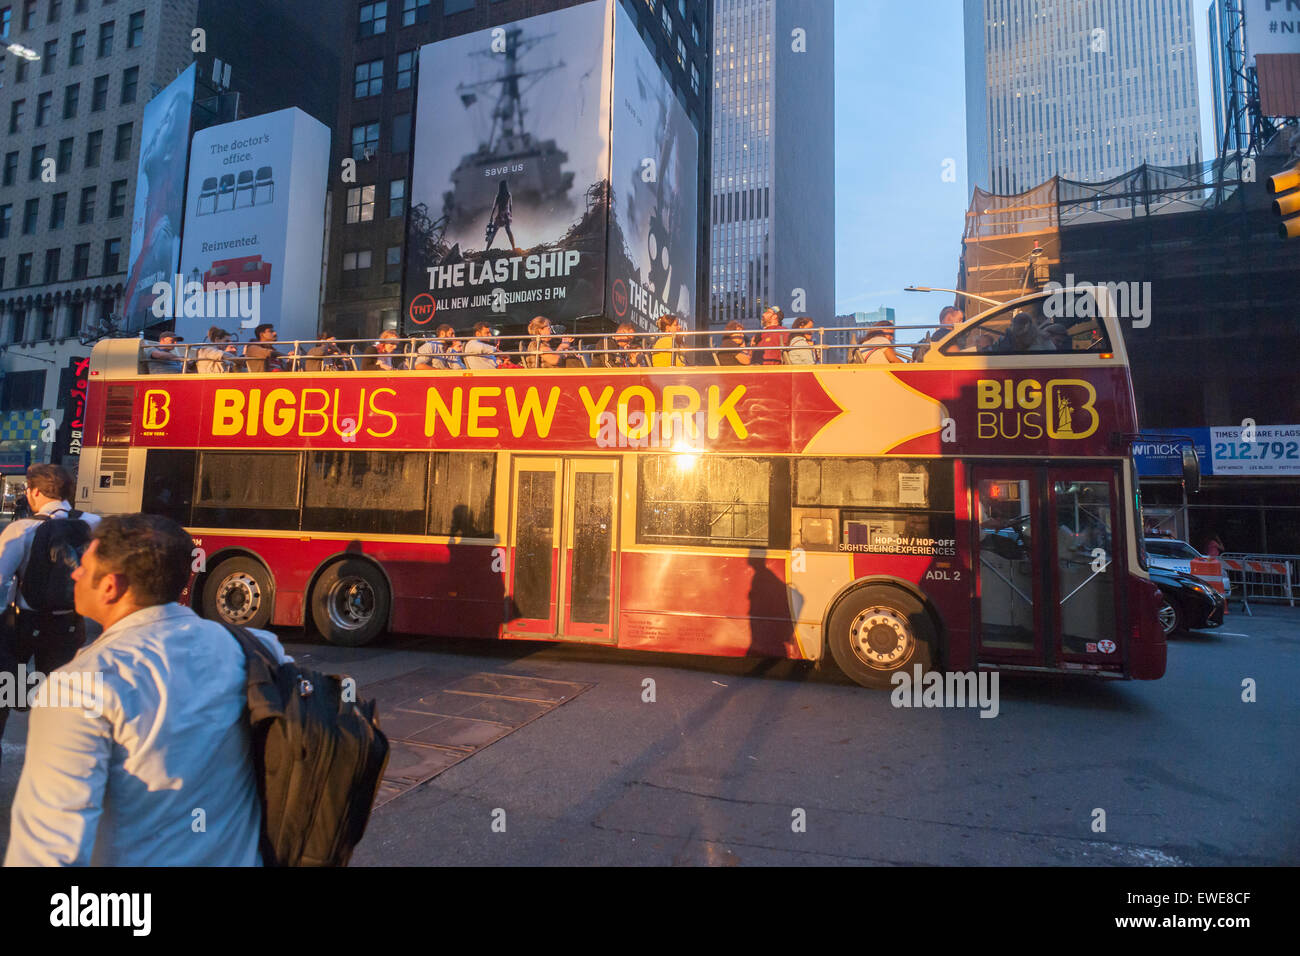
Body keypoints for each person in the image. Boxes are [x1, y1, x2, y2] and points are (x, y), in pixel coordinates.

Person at [4, 513, 290, 866]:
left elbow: (47, 850)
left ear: (111, 586)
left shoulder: (79, 687)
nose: (74, 571)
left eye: (84, 563)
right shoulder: (257, 650)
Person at [0, 464, 101, 767]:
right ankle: (57, 761)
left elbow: (2, 578)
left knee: (5, 693)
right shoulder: (94, 523)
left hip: (24, 625)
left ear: (36, 492)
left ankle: (16, 701)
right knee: (60, 697)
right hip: (69, 623)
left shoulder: (22, 529)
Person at [485, 179, 515, 251]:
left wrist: (491, 217)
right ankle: (513, 247)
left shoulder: (498, 196)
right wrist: (511, 214)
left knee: (493, 233)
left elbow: (494, 207)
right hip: (507, 216)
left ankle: (486, 249)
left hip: (500, 216)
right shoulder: (508, 194)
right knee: (509, 232)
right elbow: (510, 206)